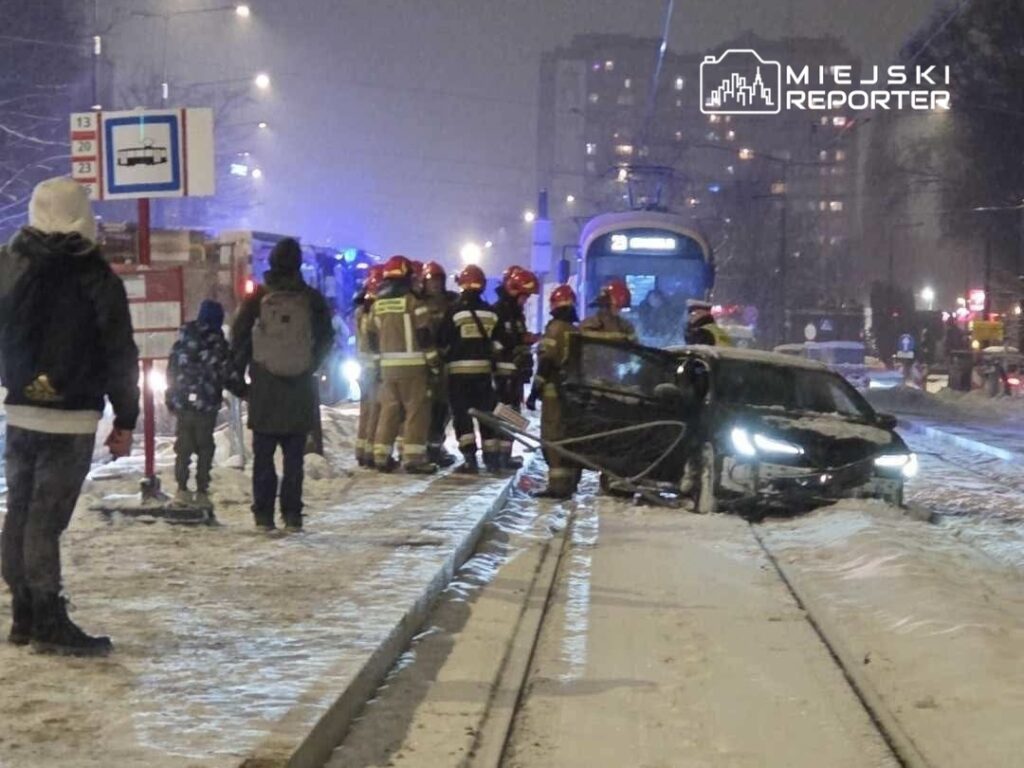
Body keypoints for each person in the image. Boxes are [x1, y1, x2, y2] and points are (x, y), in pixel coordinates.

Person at [0, 176, 138, 656]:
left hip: (19, 410)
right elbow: (120, 352)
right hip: (72, 415)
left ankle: (24, 614)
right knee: (46, 521)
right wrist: (127, 417)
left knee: (19, 511)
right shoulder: (97, 276)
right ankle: (48, 620)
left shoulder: (9, 264)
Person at [230, 237, 335, 531]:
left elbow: (238, 339)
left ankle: (263, 515)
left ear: (272, 263)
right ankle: (292, 514)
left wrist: (239, 378)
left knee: (263, 457)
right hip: (299, 387)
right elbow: (327, 338)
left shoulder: (257, 298)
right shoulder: (312, 299)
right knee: (294, 459)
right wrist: (310, 364)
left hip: (264, 386)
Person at [368, 254, 440, 474]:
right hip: (414, 368)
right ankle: (414, 459)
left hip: (388, 370)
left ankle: (381, 456)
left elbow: (371, 337)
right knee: (416, 411)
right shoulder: (414, 303)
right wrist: (434, 363)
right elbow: (424, 336)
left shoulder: (377, 306)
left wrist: (378, 364)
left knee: (389, 411)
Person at [165, 299, 231, 508]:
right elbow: (227, 372)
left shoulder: (182, 341)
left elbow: (172, 371)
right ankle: (202, 491)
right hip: (207, 405)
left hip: (183, 404)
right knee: (205, 447)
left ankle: (182, 489)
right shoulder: (218, 343)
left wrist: (171, 397)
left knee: (183, 447)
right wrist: (244, 390)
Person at [438, 264, 503, 474]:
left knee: (462, 416)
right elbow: (500, 343)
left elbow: (442, 339)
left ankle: (469, 460)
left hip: (459, 374)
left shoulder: (454, 311)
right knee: (486, 415)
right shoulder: (491, 313)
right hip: (484, 374)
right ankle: (491, 459)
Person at [526, 284, 581, 499]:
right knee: (569, 435)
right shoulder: (575, 330)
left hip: (554, 392)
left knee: (552, 437)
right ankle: (570, 482)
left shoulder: (555, 328)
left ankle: (558, 486)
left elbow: (547, 361)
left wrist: (534, 390)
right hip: (573, 393)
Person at [493, 266, 539, 469]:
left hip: (514, 372)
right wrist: (518, 341)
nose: (525, 300)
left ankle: (504, 455)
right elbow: (496, 341)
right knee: (503, 412)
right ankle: (497, 456)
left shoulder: (515, 313)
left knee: (512, 413)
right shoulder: (499, 312)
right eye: (524, 296)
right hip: (503, 373)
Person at [421, 261, 459, 468]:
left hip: (445, 362)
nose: (434, 285)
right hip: (424, 363)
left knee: (443, 408)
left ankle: (436, 445)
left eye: (438, 280)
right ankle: (426, 447)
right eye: (431, 281)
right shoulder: (418, 303)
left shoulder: (451, 303)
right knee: (425, 408)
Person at [354, 265, 384, 468]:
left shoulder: (360, 311)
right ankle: (372, 451)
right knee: (376, 410)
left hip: (364, 367)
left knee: (367, 410)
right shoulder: (376, 311)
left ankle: (363, 450)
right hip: (375, 367)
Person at [580, 278, 638, 343]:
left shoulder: (626, 327)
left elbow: (636, 347)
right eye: (616, 307)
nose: (618, 311)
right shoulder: (588, 325)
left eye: (620, 308)